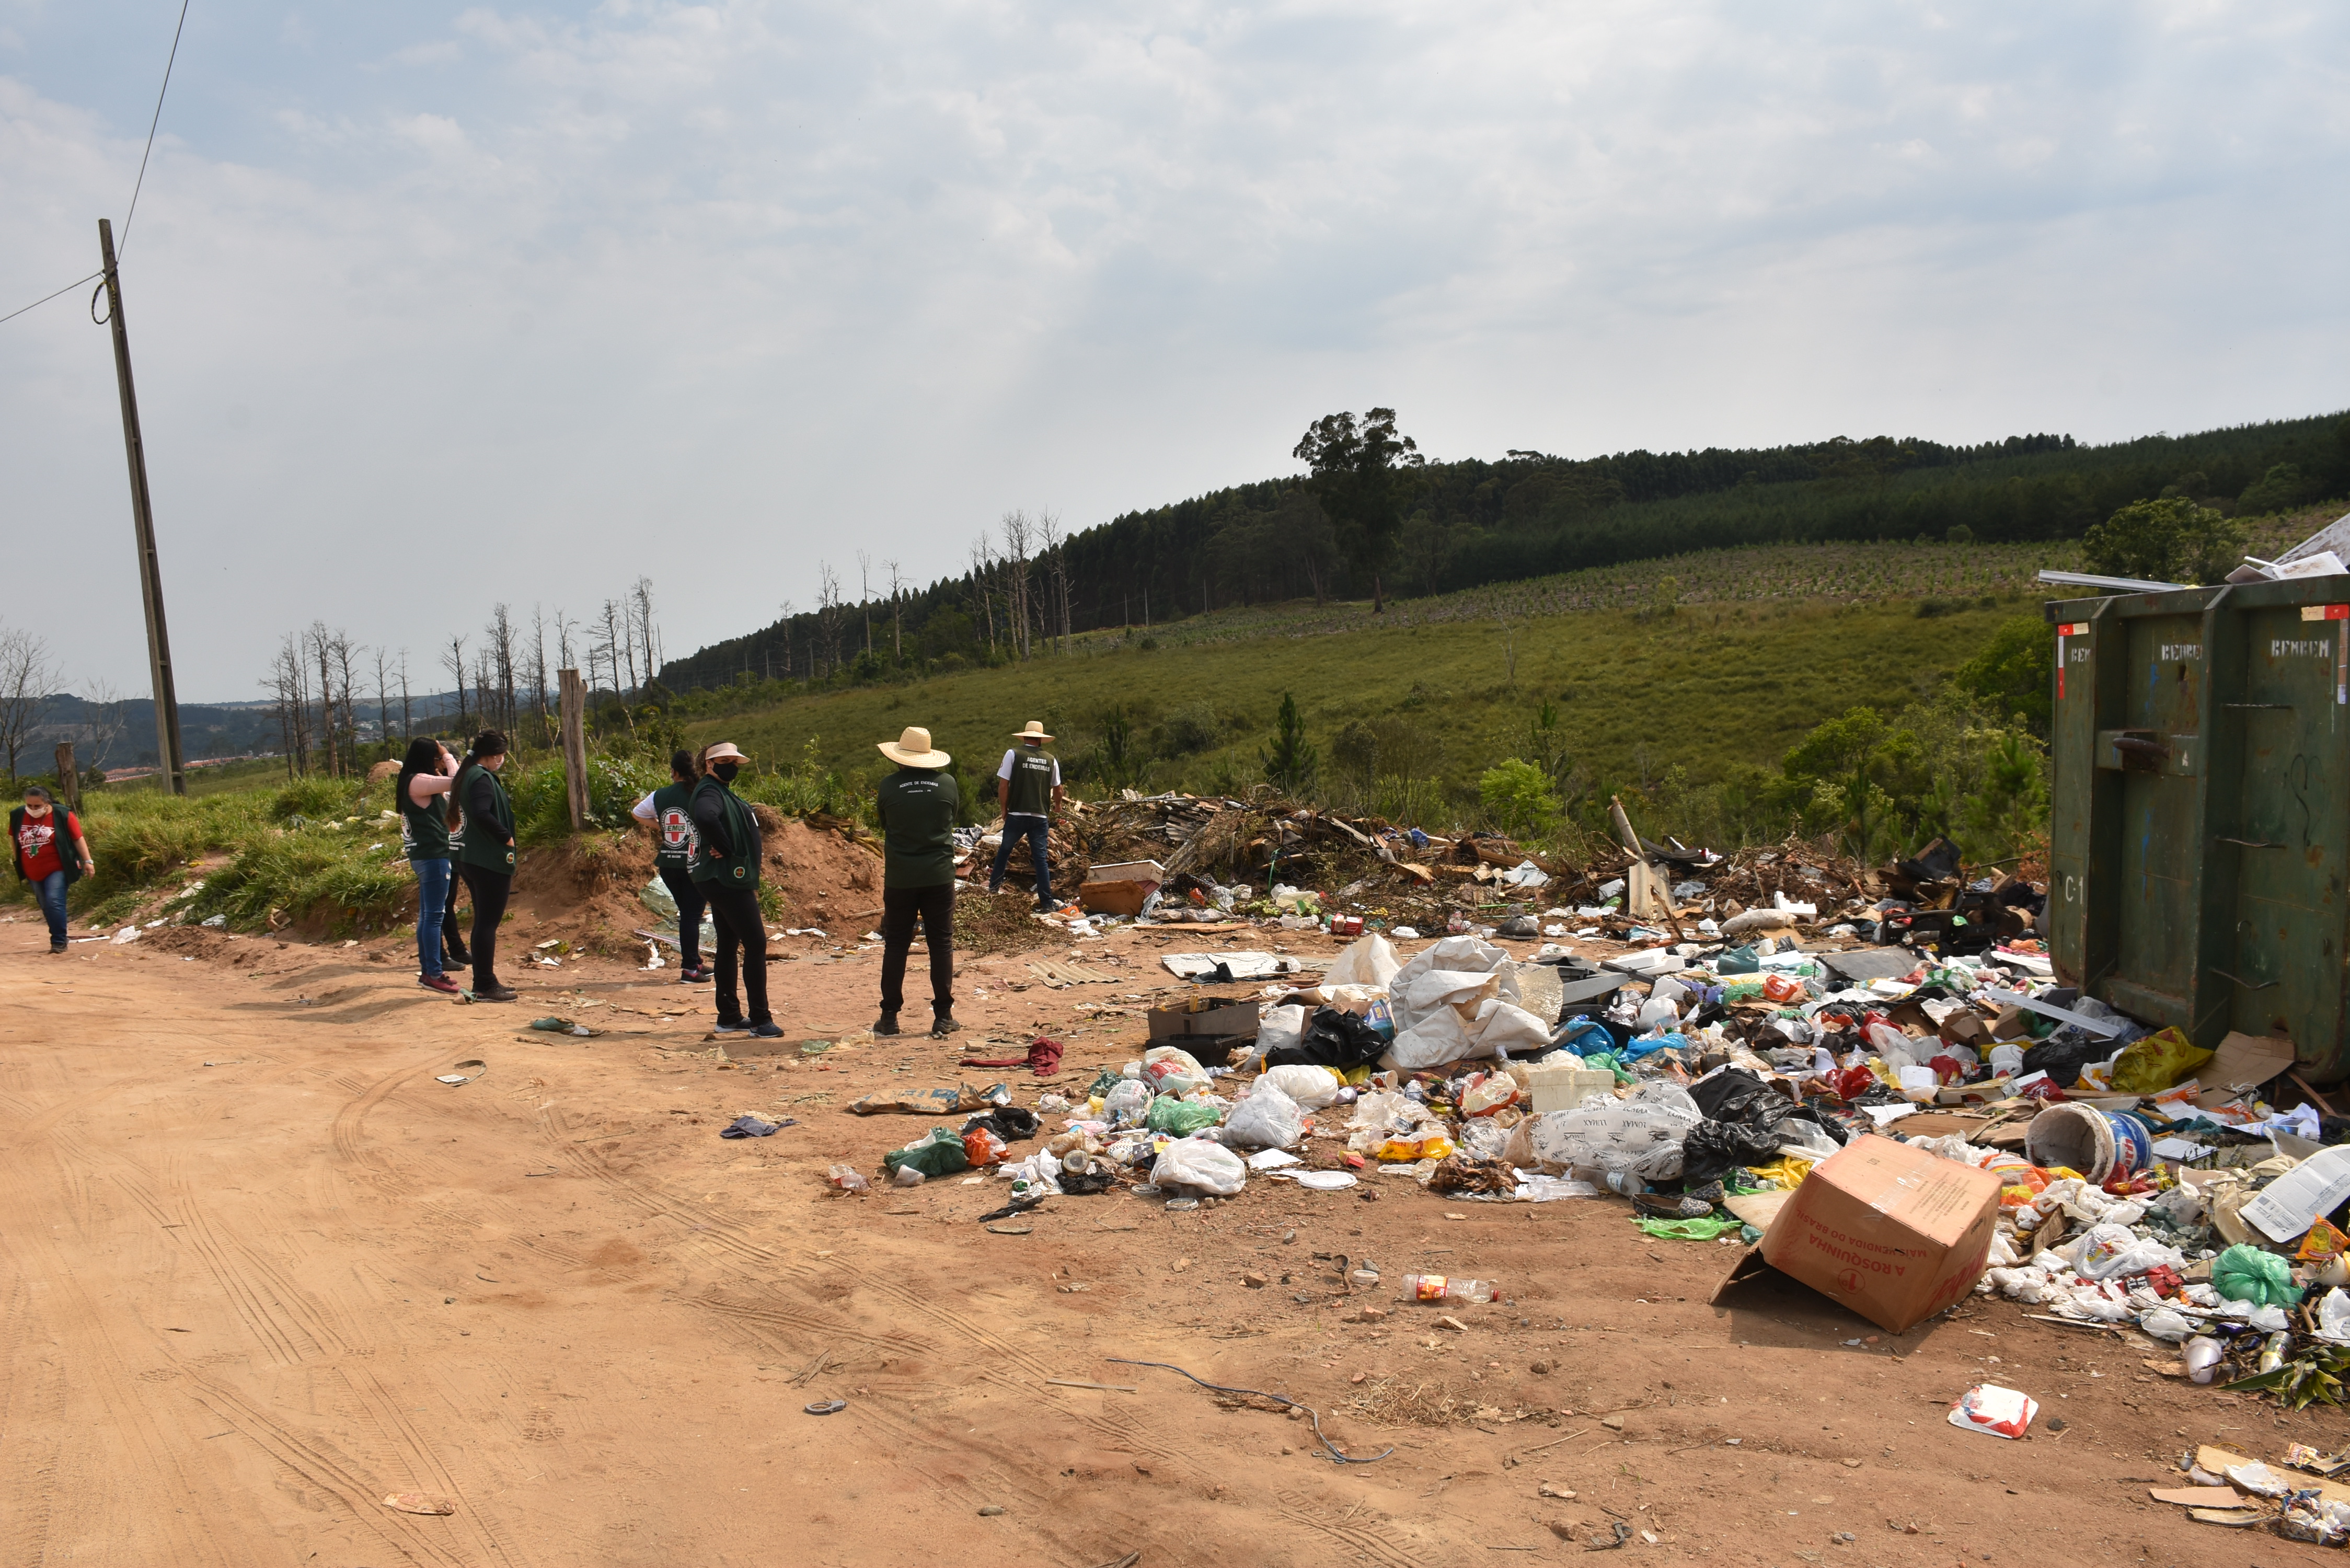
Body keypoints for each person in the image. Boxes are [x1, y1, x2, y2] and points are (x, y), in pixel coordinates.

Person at [873, 725, 962, 1039]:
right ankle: (943, 1016)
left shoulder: (889, 786)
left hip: (900, 878)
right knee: (940, 943)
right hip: (939, 875)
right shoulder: (947, 784)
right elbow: (951, 816)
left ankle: (889, 1017)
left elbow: (885, 823)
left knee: (896, 944)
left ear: (899, 758)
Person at [688, 742, 781, 1038]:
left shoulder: (719, 790)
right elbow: (705, 816)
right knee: (755, 943)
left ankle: (728, 1017)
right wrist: (726, 847)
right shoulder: (709, 791)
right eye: (723, 760)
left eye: (734, 762)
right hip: (726, 879)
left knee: (728, 942)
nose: (730, 766)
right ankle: (760, 1021)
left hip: (723, 878)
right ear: (708, 764)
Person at [451, 730, 519, 1001]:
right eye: (501, 756)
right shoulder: (480, 778)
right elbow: (481, 813)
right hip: (488, 859)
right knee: (487, 924)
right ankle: (485, 984)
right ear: (492, 756)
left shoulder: (467, 775)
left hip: (470, 858)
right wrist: (507, 837)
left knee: (482, 922)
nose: (502, 761)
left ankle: (485, 980)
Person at [632, 749, 710, 982]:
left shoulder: (660, 795)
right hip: (695, 862)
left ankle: (694, 962)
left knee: (688, 914)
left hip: (668, 863)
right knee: (691, 915)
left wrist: (663, 828)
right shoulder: (701, 793)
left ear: (673, 772)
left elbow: (637, 813)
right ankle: (690, 969)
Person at [395, 737, 464, 994]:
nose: (441, 763)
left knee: (428, 916)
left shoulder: (411, 780)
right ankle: (434, 973)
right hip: (434, 856)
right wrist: (448, 756)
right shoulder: (418, 781)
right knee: (434, 917)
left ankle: (429, 971)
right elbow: (458, 782)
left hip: (423, 856)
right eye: (436, 758)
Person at [987, 719, 1065, 912]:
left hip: (1017, 814)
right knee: (1041, 859)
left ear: (1024, 737)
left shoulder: (1014, 754)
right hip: (1040, 817)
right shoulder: (1050, 759)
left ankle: (993, 891)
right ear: (1040, 740)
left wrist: (1004, 809)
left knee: (1005, 852)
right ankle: (1047, 903)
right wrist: (1057, 805)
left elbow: (1003, 785)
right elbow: (1058, 787)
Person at [11, 783, 91, 954]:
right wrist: (17, 861)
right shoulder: (18, 815)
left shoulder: (62, 814)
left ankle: (58, 942)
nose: (33, 809)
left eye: (38, 806)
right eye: (30, 806)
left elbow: (78, 838)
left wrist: (88, 861)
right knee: (45, 904)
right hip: (32, 868)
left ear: (47, 803)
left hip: (57, 867)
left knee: (55, 900)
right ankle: (58, 934)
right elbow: (14, 838)